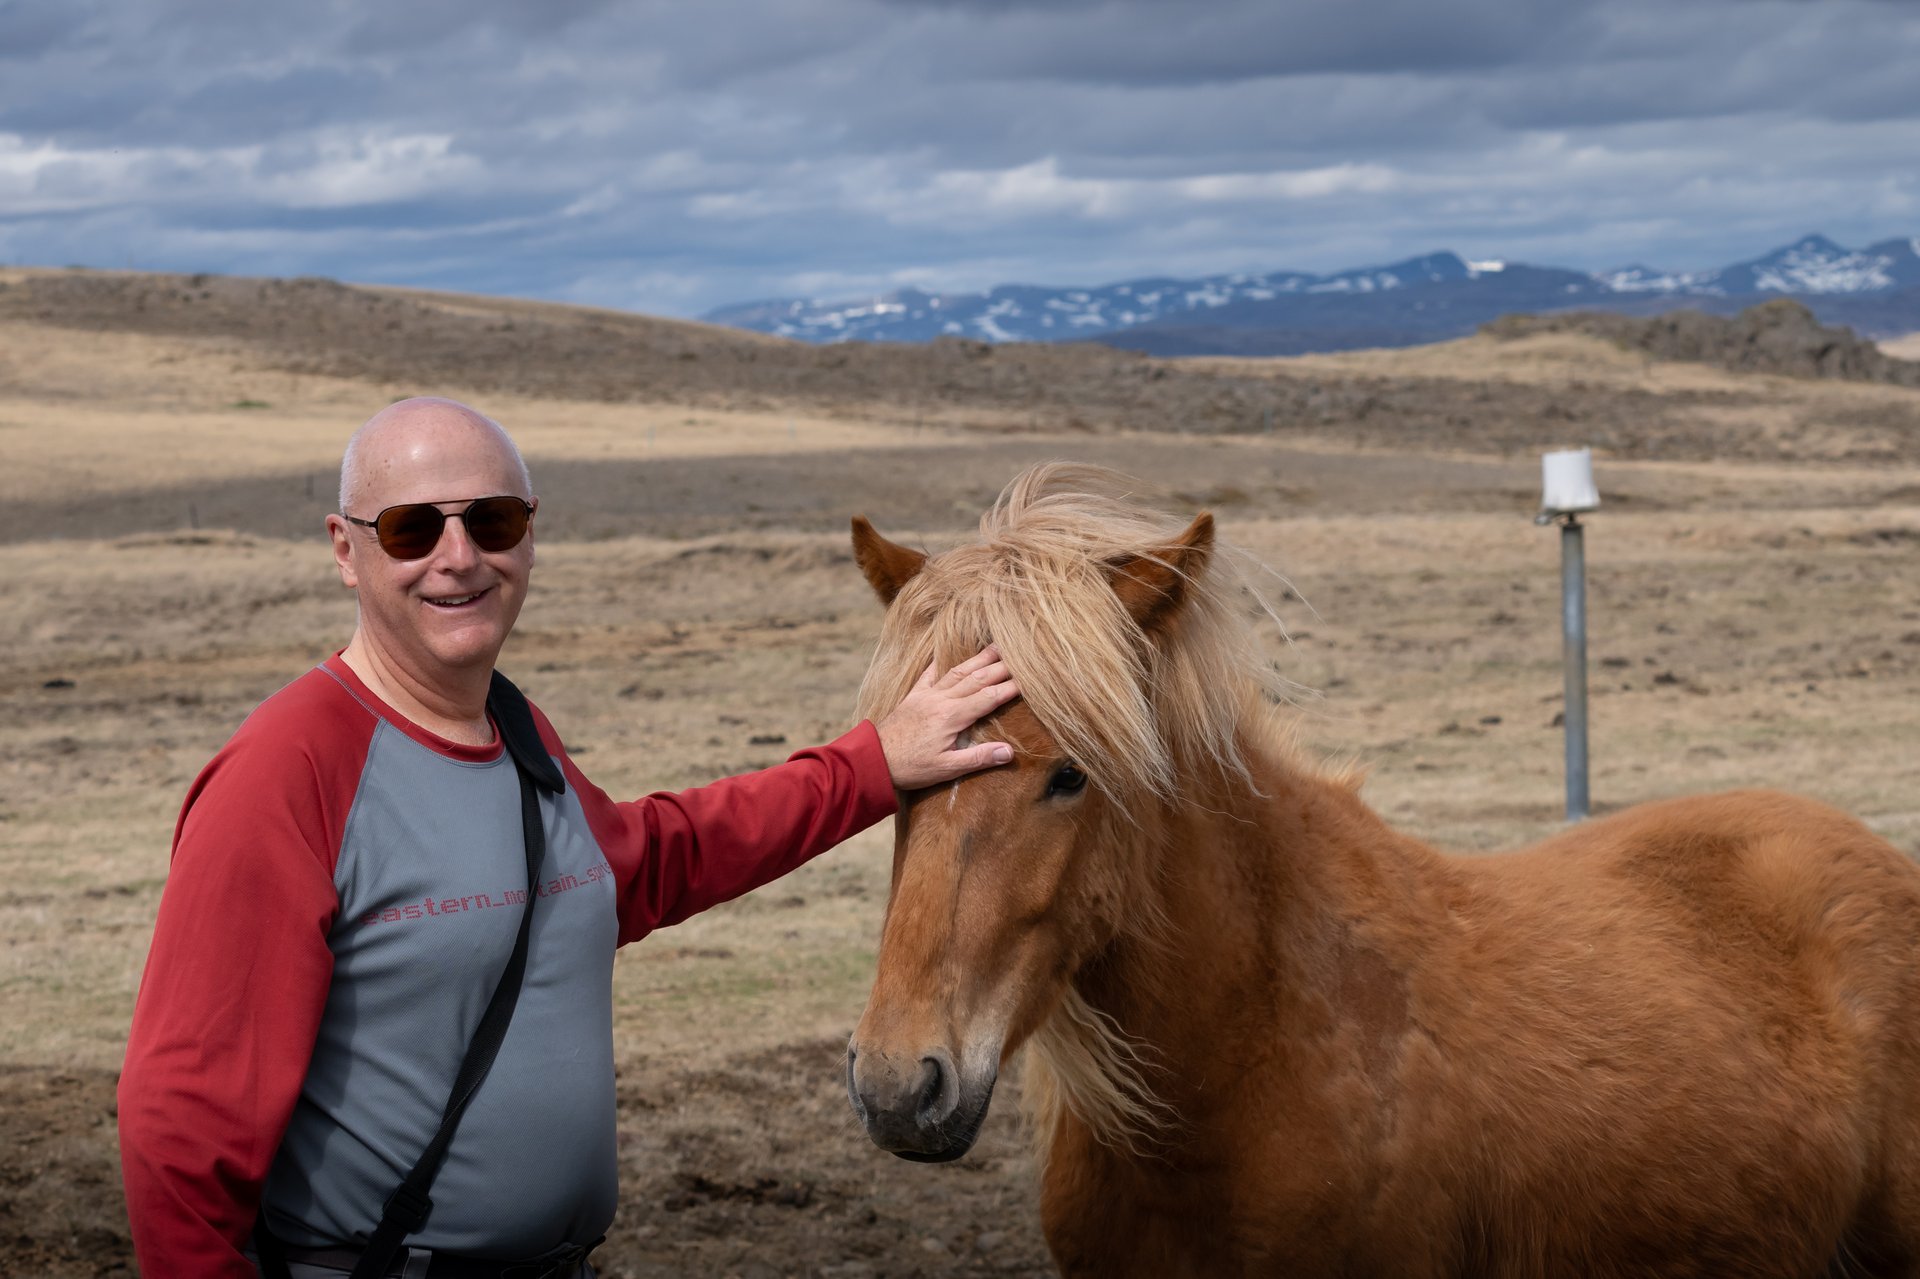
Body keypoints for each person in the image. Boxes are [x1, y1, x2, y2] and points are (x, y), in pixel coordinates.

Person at [117, 397, 1019, 1278]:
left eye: (493, 520)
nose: (459, 556)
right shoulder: (287, 770)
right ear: (345, 550)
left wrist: (874, 761)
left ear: (531, 535)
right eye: (411, 529)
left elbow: (640, 863)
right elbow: (180, 1133)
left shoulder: (512, 730)